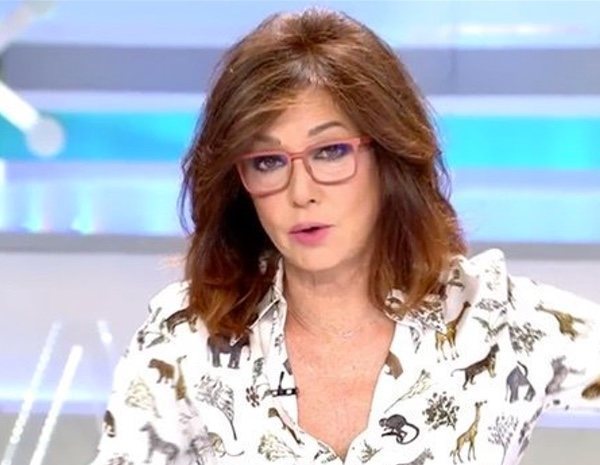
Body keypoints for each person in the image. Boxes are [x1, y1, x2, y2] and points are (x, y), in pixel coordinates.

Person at [90, 8, 600, 465]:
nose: (301, 192)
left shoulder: (494, 320)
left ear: (388, 156)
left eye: (330, 152)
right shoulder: (185, 338)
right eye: (267, 162)